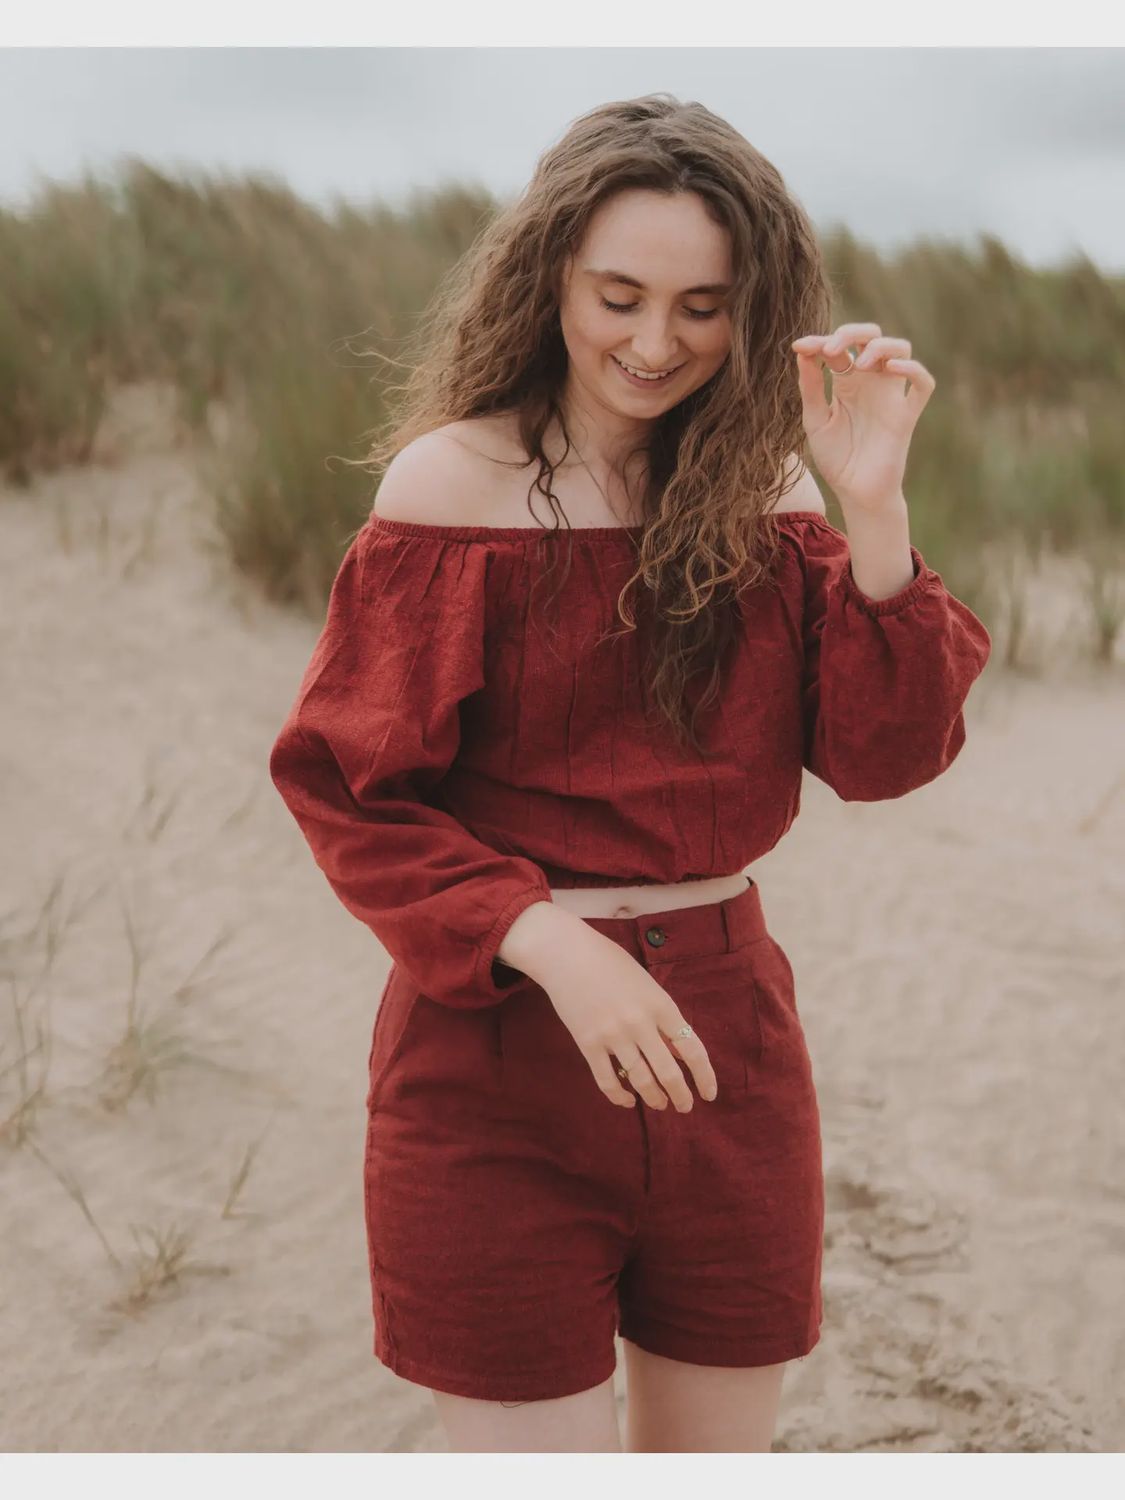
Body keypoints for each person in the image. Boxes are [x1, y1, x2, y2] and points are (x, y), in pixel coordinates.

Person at [268, 93, 992, 1453]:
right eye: (617, 296)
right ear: (547, 276)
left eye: (703, 308)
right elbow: (348, 792)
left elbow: (886, 758)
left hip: (730, 1046)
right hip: (493, 1053)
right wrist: (550, 941)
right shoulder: (451, 487)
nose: (653, 344)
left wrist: (873, 505)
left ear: (751, 309)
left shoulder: (765, 494)